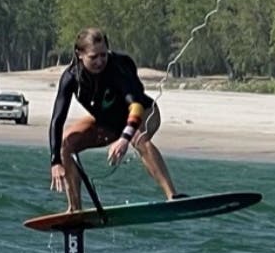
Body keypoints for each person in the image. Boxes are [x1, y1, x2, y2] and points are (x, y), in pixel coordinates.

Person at [47, 27, 180, 214]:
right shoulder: (70, 78)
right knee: (66, 144)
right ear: (79, 54)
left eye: (103, 55)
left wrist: (124, 139)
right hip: (108, 124)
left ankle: (172, 196)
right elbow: (57, 120)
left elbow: (136, 106)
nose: (100, 61)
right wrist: (55, 161)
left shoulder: (117, 67)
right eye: (94, 57)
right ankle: (75, 209)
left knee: (138, 139)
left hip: (145, 113)